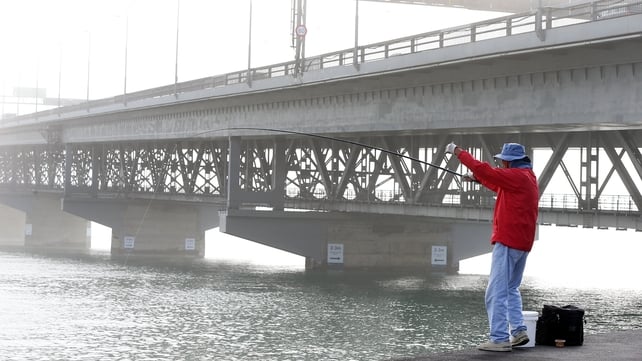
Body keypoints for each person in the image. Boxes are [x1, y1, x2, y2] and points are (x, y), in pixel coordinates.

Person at [445, 142, 539, 352]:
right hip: (523, 242)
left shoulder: (516, 176)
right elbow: (498, 185)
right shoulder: (528, 178)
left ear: (509, 161)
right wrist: (477, 180)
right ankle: (518, 331)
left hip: (508, 240)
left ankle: (499, 338)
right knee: (511, 288)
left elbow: (484, 169)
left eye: (503, 160)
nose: (501, 163)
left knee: (495, 291)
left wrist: (458, 152)